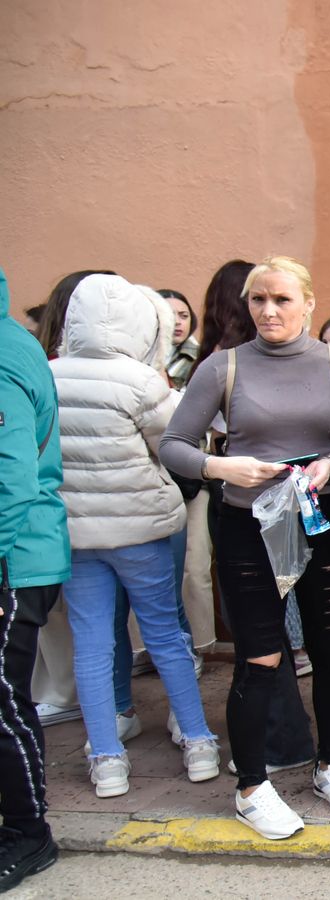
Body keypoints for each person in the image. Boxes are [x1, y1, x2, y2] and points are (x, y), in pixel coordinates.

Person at [160, 255, 330, 839]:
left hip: (320, 516)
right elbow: (173, 444)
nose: (268, 310)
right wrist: (220, 464)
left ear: (308, 302)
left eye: (281, 299)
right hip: (246, 523)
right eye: (258, 299)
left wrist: (329, 463)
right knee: (261, 657)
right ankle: (252, 786)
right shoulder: (222, 367)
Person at [51, 275, 222, 799]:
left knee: (94, 644)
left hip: (76, 532)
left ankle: (106, 757)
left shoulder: (49, 374)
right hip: (142, 530)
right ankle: (196, 740)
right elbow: (174, 444)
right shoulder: (143, 381)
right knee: (166, 635)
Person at [0, 264, 71, 892]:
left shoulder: (2, 355)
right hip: (20, 552)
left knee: (4, 700)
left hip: (13, 558)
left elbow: (9, 477)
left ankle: (28, 832)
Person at [30, 269, 115, 729]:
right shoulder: (43, 361)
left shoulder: (45, 365)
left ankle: (65, 692)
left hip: (58, 501)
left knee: (68, 614)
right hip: (79, 504)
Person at [162, 289, 201, 390]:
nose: (177, 322)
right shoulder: (138, 353)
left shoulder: (200, 357)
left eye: (184, 316)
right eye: (169, 315)